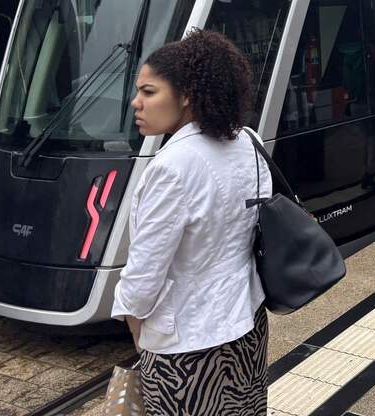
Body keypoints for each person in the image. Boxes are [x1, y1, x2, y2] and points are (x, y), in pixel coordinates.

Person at [112, 29, 272, 416]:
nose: (136, 102)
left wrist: (137, 330)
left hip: (186, 348)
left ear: (186, 95)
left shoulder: (172, 166)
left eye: (149, 92)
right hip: (248, 325)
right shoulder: (248, 142)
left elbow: (143, 277)